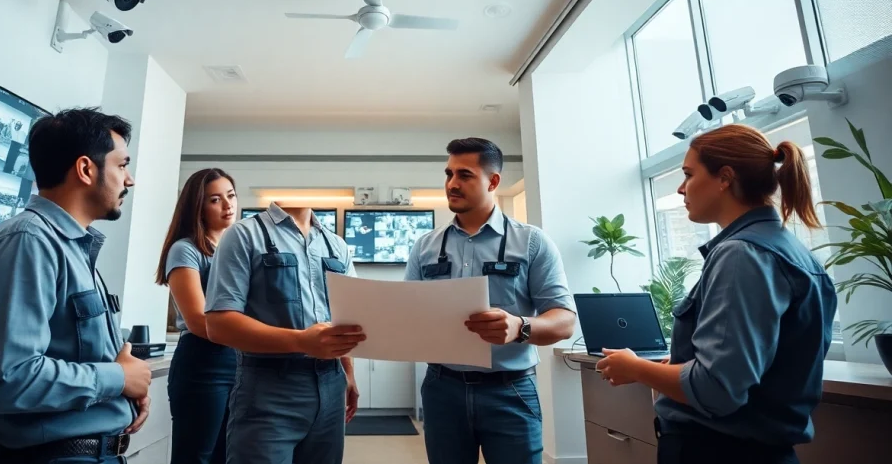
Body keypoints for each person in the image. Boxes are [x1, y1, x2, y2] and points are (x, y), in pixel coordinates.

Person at [596, 124, 837, 464]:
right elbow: (765, 366)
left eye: (688, 174)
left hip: (716, 451)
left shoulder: (741, 255)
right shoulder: (794, 253)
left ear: (725, 178)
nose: (681, 188)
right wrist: (678, 368)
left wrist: (635, 368)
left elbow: (715, 388)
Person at [0, 108, 152, 464]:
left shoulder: (72, 247)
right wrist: (118, 378)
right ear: (86, 169)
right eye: (122, 165)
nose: (130, 180)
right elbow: (8, 379)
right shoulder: (26, 243)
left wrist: (125, 381)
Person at [405, 137, 577, 464]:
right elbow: (408, 314)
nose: (452, 184)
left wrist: (519, 326)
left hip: (510, 390)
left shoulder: (532, 242)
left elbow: (565, 321)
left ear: (493, 181)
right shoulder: (425, 246)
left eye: (464, 175)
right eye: (449, 174)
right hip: (442, 390)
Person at [204, 202, 366, 464]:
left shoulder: (336, 245)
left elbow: (348, 319)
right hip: (268, 388)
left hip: (331, 387)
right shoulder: (244, 234)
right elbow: (218, 324)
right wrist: (301, 341)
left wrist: (348, 372)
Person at [155, 168, 239, 464]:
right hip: (203, 363)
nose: (228, 205)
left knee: (229, 456)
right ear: (198, 207)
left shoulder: (236, 249)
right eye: (215, 199)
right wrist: (259, 337)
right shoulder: (186, 250)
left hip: (240, 363)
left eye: (231, 196)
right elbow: (198, 321)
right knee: (196, 457)